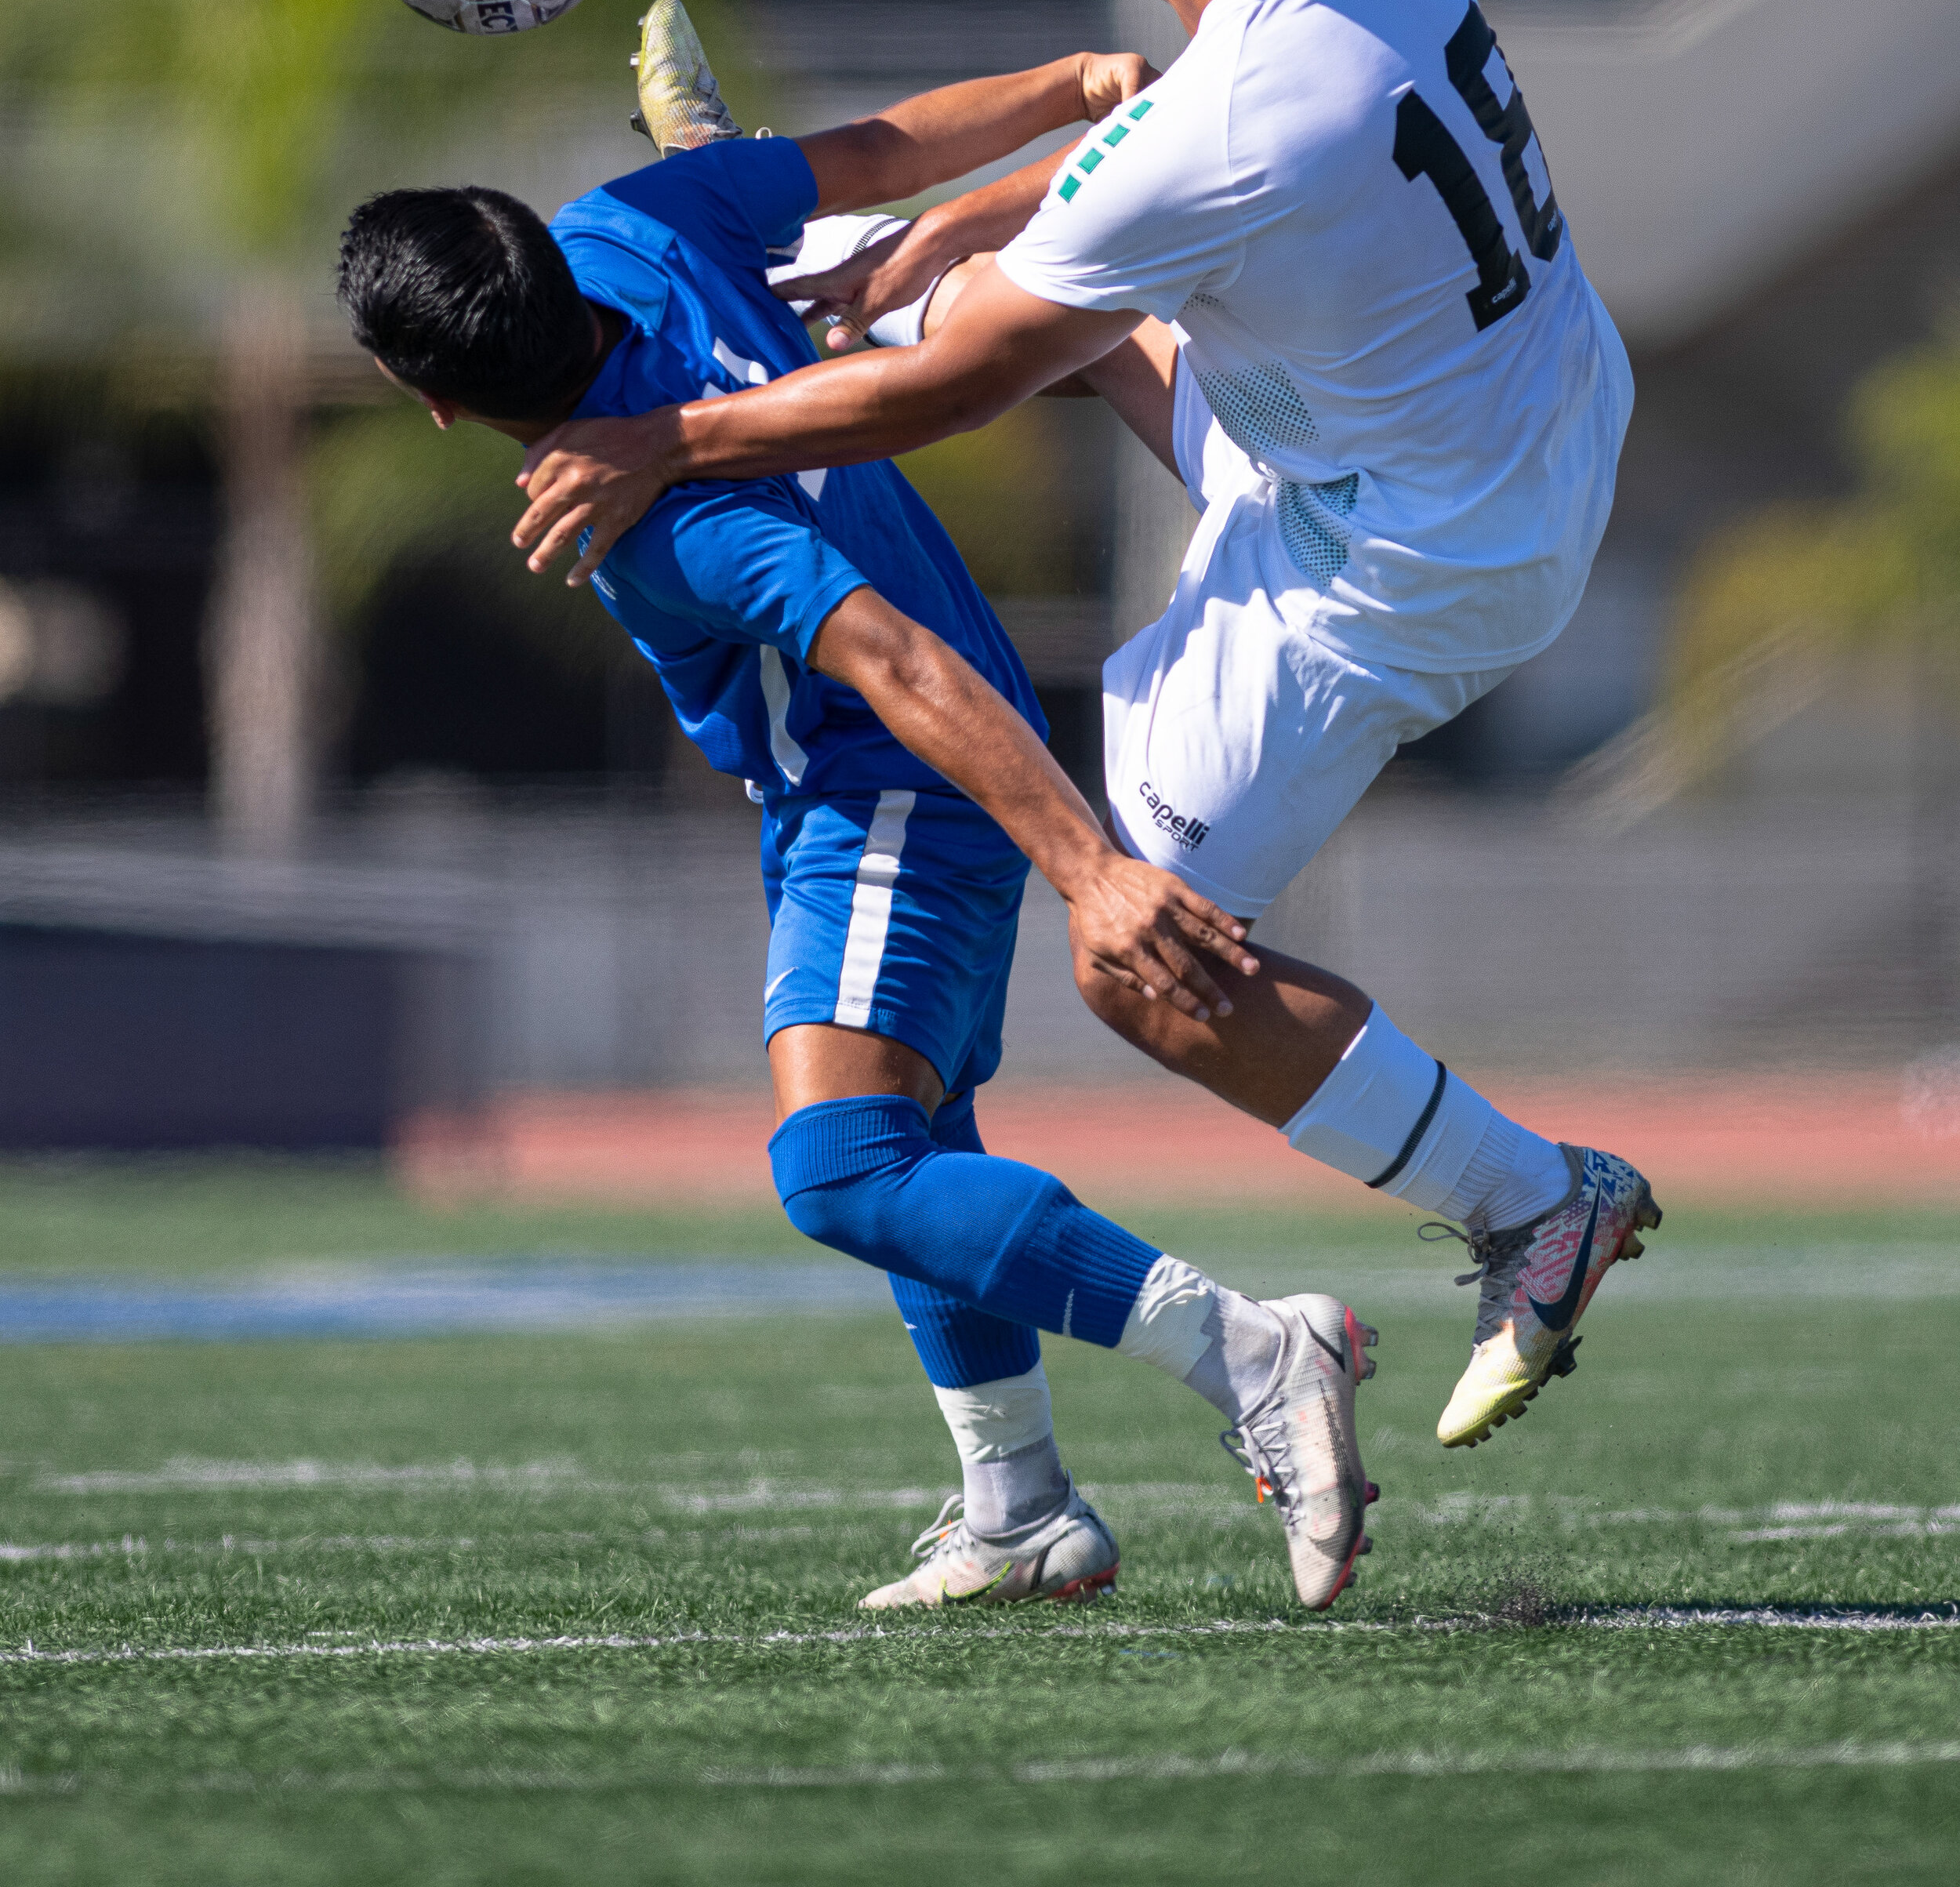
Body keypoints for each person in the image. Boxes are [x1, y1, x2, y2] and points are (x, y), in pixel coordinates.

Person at [506, 0, 1663, 1452]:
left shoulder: (1212, 140)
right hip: (1522, 422)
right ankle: (779, 221)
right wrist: (918, 243)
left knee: (1142, 957)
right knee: (1013, 295)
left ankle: (1531, 1202)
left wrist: (667, 435)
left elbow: (947, 391)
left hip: (1397, 561)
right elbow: (1120, 188)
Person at [333, 90, 1383, 1615]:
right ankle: (1017, 1501)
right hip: (868, 782)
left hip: (893, 781)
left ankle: (1247, 1353)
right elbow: (882, 156)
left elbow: (890, 661)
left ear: (426, 400)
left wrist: (1088, 871)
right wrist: (1073, 91)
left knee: (837, 1167)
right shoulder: (637, 220)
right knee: (914, 1137)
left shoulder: (655, 516)